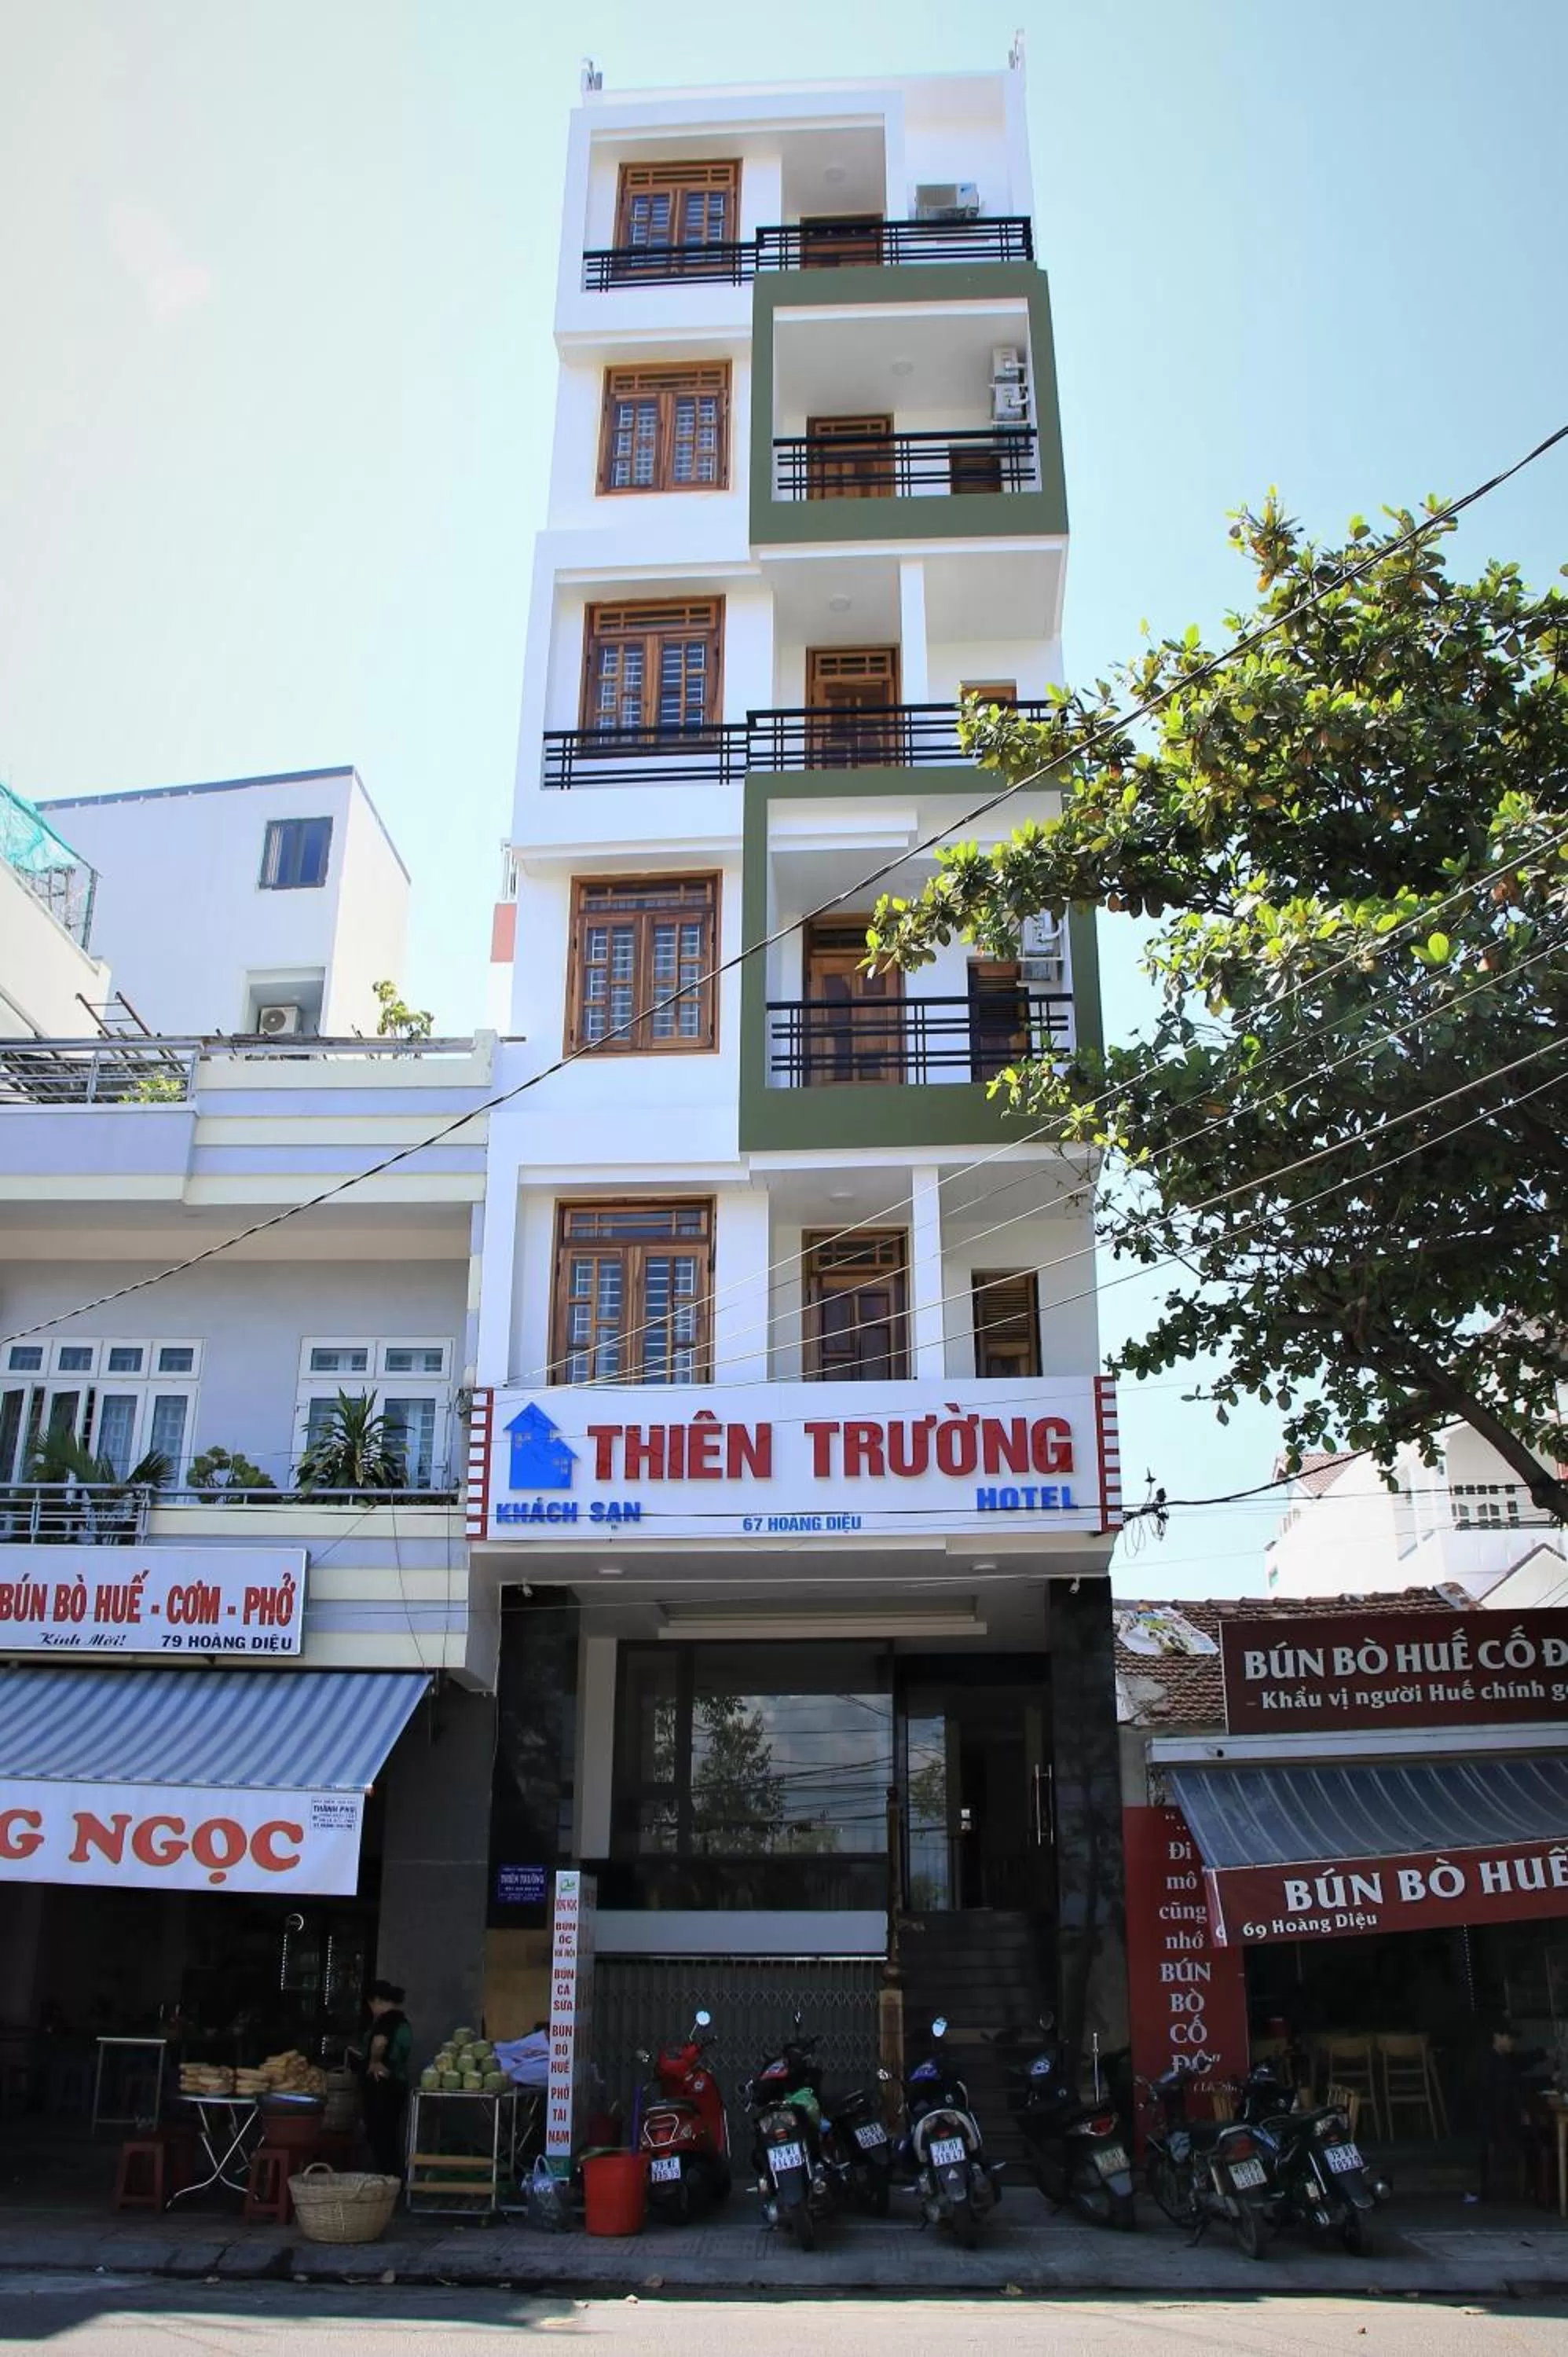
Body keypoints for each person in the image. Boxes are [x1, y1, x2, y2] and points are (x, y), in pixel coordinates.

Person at [361, 1979, 412, 2180]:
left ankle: (386, 2180)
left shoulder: (387, 2020)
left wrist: (374, 2062)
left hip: (383, 2086)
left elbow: (380, 2042)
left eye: (370, 2004)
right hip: (398, 2085)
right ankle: (391, 2180)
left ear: (377, 2001)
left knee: (380, 2134)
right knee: (389, 2134)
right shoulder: (402, 2021)